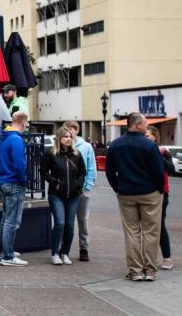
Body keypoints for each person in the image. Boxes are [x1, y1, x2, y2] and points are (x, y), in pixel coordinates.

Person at [105, 113, 165, 281]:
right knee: (151, 232)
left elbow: (110, 171)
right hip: (149, 193)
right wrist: (159, 189)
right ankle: (150, 271)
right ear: (138, 125)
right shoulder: (149, 145)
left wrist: (118, 188)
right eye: (145, 123)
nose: (146, 126)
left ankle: (135, 270)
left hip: (126, 193)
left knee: (131, 232)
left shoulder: (115, 145)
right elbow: (158, 172)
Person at [41, 126, 86, 265]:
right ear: (59, 138)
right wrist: (55, 182)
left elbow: (83, 172)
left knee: (70, 225)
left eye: (69, 137)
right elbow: (43, 171)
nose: (68, 139)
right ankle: (55, 253)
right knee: (60, 223)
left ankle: (65, 252)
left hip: (74, 195)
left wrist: (78, 184)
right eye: (65, 136)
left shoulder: (77, 154)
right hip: (57, 194)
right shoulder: (51, 153)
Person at [0, 111, 30, 266]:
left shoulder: (4, 137)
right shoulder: (16, 139)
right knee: (12, 220)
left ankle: (3, 250)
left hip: (3, 180)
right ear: (23, 122)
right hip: (14, 182)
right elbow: (19, 164)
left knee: (5, 219)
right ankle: (8, 256)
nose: (26, 126)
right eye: (26, 124)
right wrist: (23, 180)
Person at [64, 121, 97, 262]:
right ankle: (63, 247)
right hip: (68, 189)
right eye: (67, 129)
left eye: (72, 129)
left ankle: (84, 247)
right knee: (66, 220)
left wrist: (87, 186)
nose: (70, 132)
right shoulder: (64, 145)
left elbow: (91, 167)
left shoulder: (86, 147)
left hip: (82, 189)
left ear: (77, 130)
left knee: (82, 219)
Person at [145, 126, 172, 271]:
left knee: (159, 225)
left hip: (161, 193)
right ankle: (150, 258)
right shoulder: (142, 151)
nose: (145, 137)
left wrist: (158, 156)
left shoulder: (163, 152)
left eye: (148, 136)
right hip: (145, 192)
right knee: (146, 227)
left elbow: (170, 169)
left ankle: (167, 257)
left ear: (155, 137)